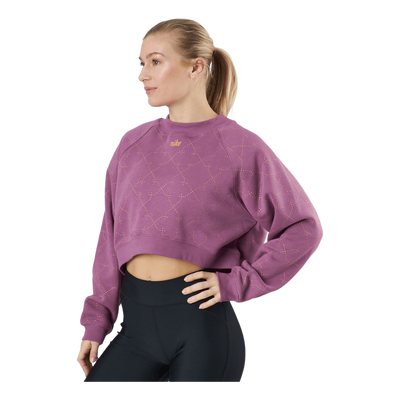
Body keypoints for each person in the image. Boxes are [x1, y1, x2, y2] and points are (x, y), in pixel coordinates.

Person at [76, 17, 325, 385]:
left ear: (196, 67)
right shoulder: (131, 144)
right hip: (135, 331)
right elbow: (109, 241)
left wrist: (240, 282)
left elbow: (304, 228)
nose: (142, 74)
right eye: (140, 63)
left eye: (155, 62)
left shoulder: (243, 147)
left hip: (202, 331)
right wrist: (97, 322)